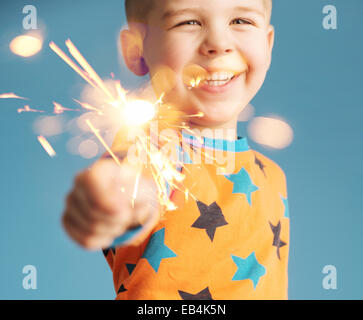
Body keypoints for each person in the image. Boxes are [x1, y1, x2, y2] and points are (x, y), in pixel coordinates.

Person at [62, 0, 290, 299]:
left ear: (268, 42)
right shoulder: (151, 150)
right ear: (136, 49)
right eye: (188, 22)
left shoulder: (273, 176)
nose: (219, 44)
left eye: (241, 21)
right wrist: (113, 202)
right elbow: (132, 188)